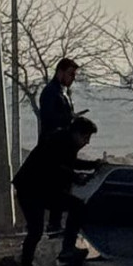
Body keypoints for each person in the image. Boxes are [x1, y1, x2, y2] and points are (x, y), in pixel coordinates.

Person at [13, 116, 101, 266]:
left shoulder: (65, 142)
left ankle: (65, 250)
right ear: (76, 133)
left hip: (42, 188)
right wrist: (76, 177)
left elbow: (69, 163)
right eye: (86, 137)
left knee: (75, 208)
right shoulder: (59, 142)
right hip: (31, 189)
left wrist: (92, 165)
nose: (87, 142)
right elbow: (55, 167)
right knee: (36, 229)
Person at [38, 58, 79, 234]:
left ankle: (57, 224)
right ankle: (53, 225)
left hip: (64, 147)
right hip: (53, 147)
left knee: (64, 186)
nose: (73, 78)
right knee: (56, 187)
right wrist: (68, 119)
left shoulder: (65, 93)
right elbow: (49, 119)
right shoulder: (50, 93)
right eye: (71, 74)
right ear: (60, 72)